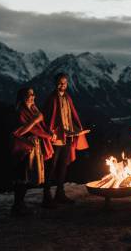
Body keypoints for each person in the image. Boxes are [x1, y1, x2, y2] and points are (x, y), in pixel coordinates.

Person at [42, 72, 89, 207]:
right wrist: (51, 132)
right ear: (56, 83)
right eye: (60, 83)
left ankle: (60, 193)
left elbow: (71, 116)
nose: (63, 85)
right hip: (56, 139)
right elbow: (48, 118)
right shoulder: (51, 99)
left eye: (65, 83)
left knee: (63, 166)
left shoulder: (68, 98)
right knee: (51, 166)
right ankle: (47, 196)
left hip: (67, 137)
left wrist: (76, 130)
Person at [11, 87, 55, 216]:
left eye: (33, 94)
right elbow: (25, 130)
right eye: (29, 94)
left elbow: (41, 126)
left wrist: (49, 132)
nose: (32, 96)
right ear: (23, 97)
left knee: (25, 175)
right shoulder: (21, 111)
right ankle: (17, 206)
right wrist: (37, 121)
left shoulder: (34, 109)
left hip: (32, 146)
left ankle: (20, 205)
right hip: (22, 147)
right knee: (21, 176)